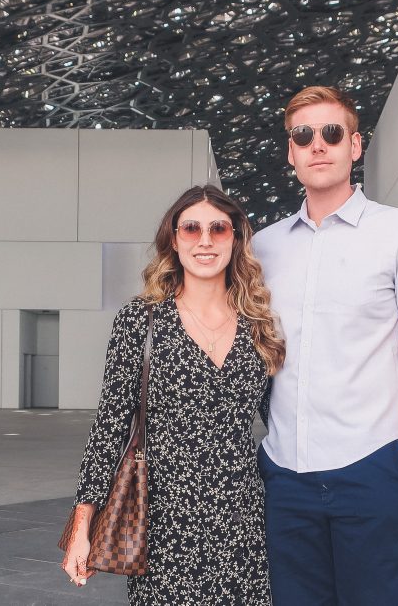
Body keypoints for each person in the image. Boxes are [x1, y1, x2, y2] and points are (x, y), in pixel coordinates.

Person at [252, 85, 398, 605]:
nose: (318, 144)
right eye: (304, 135)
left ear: (355, 146)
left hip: (374, 473)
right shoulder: (263, 247)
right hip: (285, 480)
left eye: (331, 132)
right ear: (290, 151)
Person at [60, 184, 285, 605]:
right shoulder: (139, 323)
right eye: (191, 229)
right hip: (164, 525)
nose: (205, 240)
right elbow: (109, 428)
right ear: (174, 240)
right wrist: (81, 529)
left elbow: (284, 420)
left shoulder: (258, 326)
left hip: (242, 525)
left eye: (219, 229)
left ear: (235, 240)